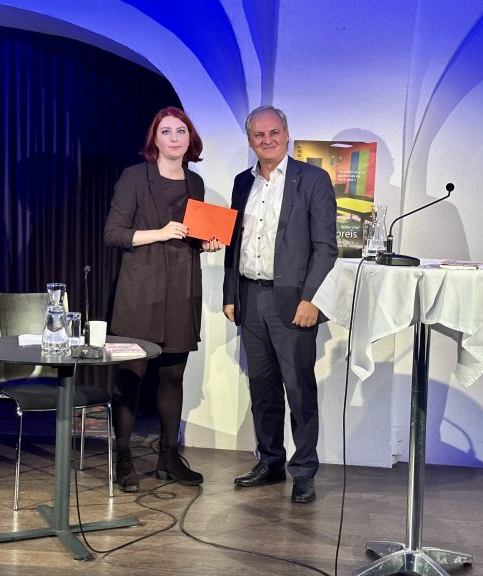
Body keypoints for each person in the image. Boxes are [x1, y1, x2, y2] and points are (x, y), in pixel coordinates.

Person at [222, 105, 337, 503]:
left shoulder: (314, 179)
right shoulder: (242, 182)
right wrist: (229, 295)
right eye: (258, 135)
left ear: (287, 134)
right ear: (250, 140)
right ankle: (270, 462)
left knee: (299, 389)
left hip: (294, 302)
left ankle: (304, 471)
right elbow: (233, 244)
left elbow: (326, 248)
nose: (266, 140)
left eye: (273, 133)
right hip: (250, 297)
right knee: (262, 388)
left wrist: (312, 299)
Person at [104, 106, 222, 492]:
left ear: (191, 139)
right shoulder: (135, 178)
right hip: (140, 294)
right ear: (154, 139)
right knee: (130, 378)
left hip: (181, 291)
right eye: (167, 131)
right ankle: (122, 459)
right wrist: (158, 232)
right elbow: (114, 234)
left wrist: (207, 244)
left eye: (181, 131)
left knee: (173, 376)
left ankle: (169, 458)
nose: (174, 138)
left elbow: (192, 235)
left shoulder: (195, 183)